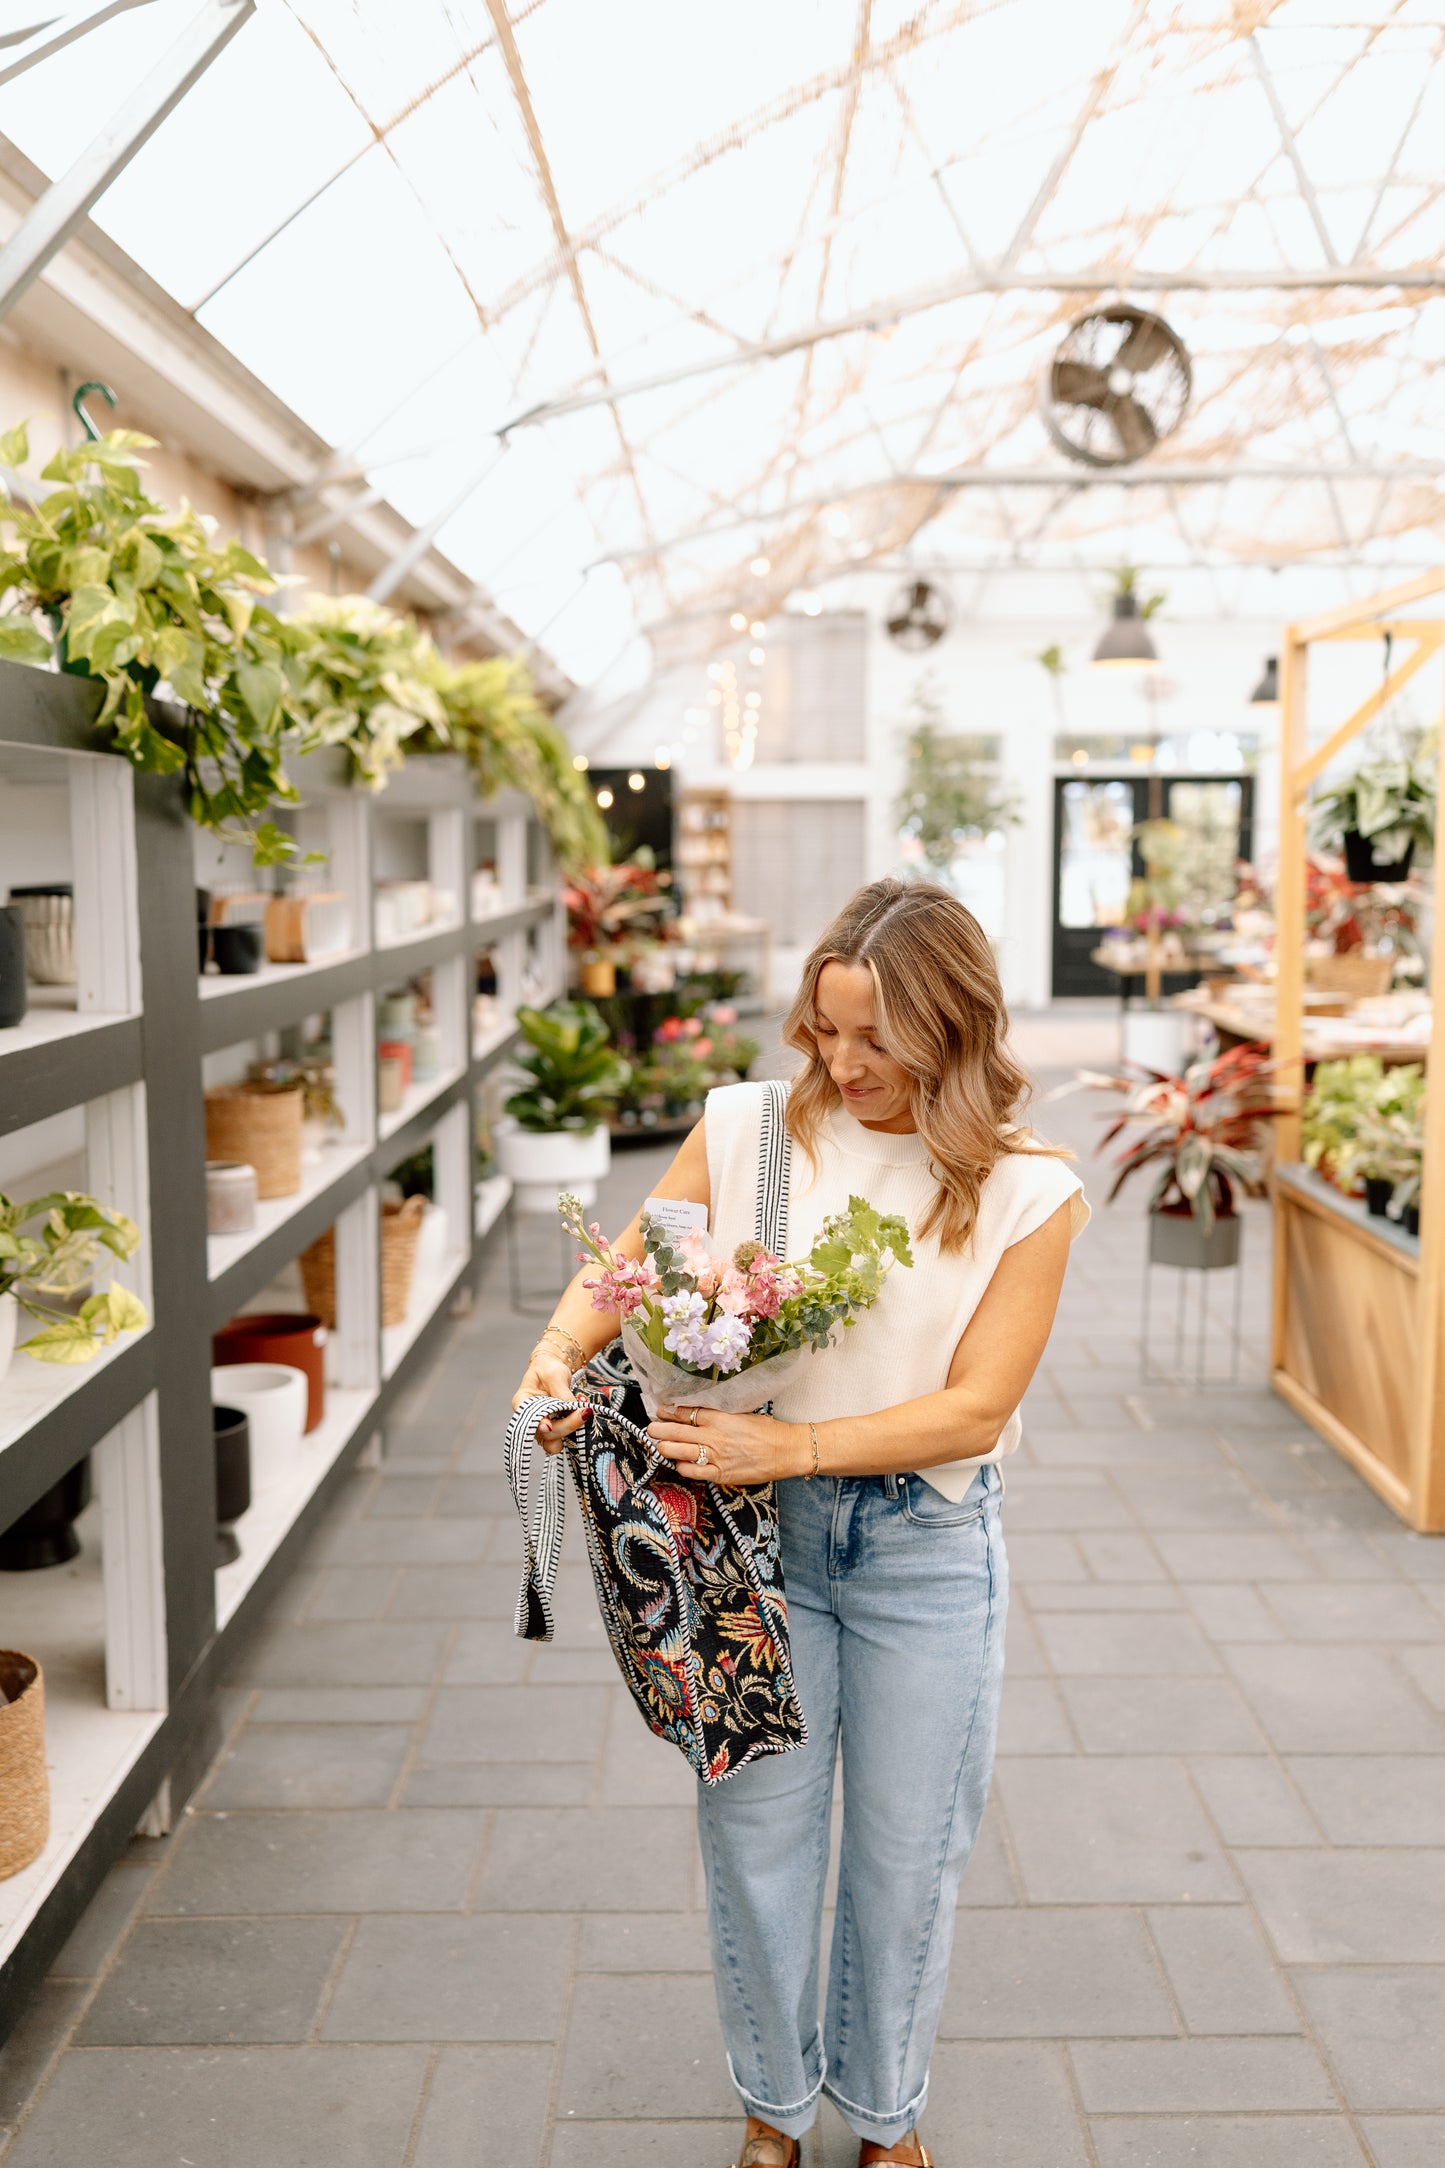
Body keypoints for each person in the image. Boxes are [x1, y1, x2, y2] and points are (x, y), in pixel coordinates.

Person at [512, 879, 1088, 2168]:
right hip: (752, 1548)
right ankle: (775, 2107)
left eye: (878, 1037)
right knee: (759, 1837)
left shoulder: (1025, 1190)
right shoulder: (752, 1130)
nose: (844, 1063)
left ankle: (886, 2120)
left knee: (903, 1858)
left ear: (955, 1025)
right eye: (827, 1029)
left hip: (924, 1553)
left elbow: (976, 1410)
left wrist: (799, 1444)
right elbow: (628, 1271)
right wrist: (556, 1354)